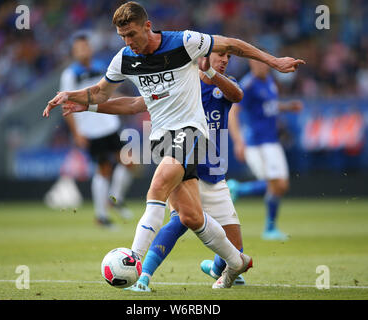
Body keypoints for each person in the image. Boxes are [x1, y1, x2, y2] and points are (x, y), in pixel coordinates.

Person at [43, 1, 304, 288]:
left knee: (156, 186)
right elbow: (101, 93)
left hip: (191, 132)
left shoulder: (184, 42)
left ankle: (134, 259)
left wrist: (274, 61)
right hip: (161, 139)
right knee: (190, 216)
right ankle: (236, 261)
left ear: (147, 26)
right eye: (122, 37)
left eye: (131, 34)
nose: (128, 42)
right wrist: (74, 98)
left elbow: (232, 44)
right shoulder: (125, 59)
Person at [58, 52, 247, 291]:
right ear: (202, 56)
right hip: (184, 161)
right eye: (220, 54)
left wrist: (210, 72)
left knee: (234, 245)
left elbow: (237, 95)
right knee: (179, 221)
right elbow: (136, 104)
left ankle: (222, 267)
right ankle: (143, 274)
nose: (225, 59)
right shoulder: (182, 83)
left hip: (215, 171)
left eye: (228, 55)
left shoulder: (226, 84)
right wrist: (89, 105)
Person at [45, 31, 134, 227]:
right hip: (91, 130)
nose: (84, 50)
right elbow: (65, 105)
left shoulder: (101, 66)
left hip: (110, 123)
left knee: (129, 162)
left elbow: (107, 91)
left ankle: (115, 200)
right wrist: (77, 133)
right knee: (103, 169)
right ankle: (101, 216)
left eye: (86, 46)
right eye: (79, 48)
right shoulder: (70, 75)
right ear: (74, 52)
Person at [227, 59, 303, 241]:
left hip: (272, 141)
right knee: (274, 184)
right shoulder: (248, 84)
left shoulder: (269, 81)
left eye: (263, 63)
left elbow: (268, 106)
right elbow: (233, 112)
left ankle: (241, 191)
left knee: (281, 185)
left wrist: (287, 107)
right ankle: (267, 225)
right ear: (251, 65)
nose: (261, 66)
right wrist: (238, 141)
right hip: (257, 143)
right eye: (257, 63)